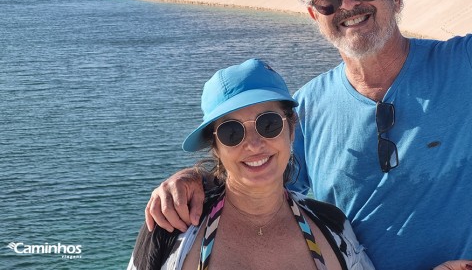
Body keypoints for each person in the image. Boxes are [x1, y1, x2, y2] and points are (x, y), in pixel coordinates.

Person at [143, 0, 472, 269]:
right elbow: (257, 181)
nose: (348, 4)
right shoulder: (302, 110)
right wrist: (195, 179)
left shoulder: (470, 62)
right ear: (314, 14)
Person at [127, 58, 376, 269]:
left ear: (291, 129)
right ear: (215, 146)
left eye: (268, 124)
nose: (254, 144)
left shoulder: (333, 227)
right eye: (231, 132)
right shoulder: (170, 230)